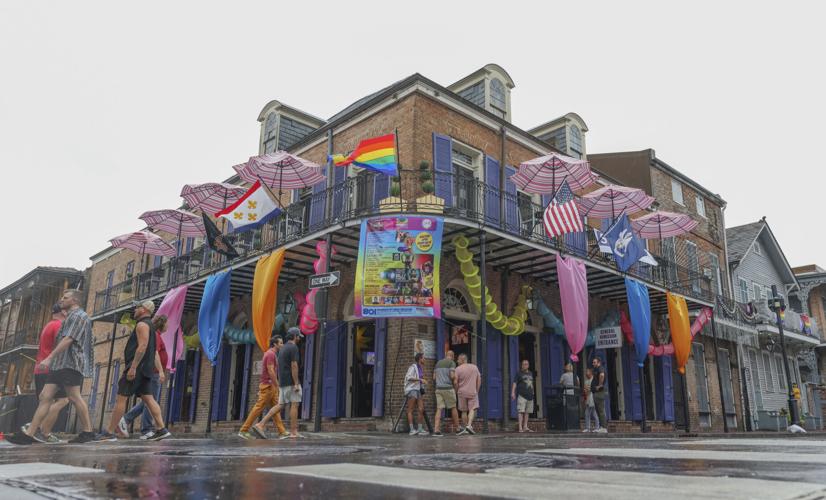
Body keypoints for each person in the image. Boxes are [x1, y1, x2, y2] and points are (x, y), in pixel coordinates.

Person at [19, 289, 96, 444]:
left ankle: (88, 432)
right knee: (45, 397)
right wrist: (52, 360)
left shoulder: (80, 316)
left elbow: (68, 339)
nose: (61, 299)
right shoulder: (69, 317)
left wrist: (49, 358)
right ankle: (29, 434)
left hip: (71, 363)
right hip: (59, 364)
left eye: (65, 297)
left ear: (74, 301)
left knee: (74, 397)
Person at [97, 301, 171, 441]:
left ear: (144, 310)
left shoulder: (142, 325)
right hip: (147, 370)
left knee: (121, 398)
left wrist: (133, 367)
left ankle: (110, 432)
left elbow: (142, 346)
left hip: (137, 368)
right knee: (149, 399)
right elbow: (153, 352)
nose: (135, 310)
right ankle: (161, 429)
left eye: (137, 308)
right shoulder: (152, 328)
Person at [23, 304, 69, 443]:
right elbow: (62, 347)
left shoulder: (49, 325)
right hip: (50, 368)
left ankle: (41, 431)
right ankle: (40, 430)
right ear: (63, 312)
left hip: (41, 368)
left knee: (49, 401)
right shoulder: (58, 326)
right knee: (62, 400)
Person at [118, 315, 169, 440]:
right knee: (150, 401)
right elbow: (155, 353)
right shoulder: (155, 335)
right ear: (162, 324)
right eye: (167, 323)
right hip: (153, 372)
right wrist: (161, 371)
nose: (168, 326)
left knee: (149, 400)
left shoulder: (156, 335)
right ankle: (146, 429)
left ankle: (131, 421)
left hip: (153, 372)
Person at [242, 335, 289, 440]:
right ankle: (244, 430)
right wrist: (277, 384)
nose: (282, 345)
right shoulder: (270, 354)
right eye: (281, 343)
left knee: (276, 408)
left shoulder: (271, 354)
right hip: (268, 385)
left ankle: (282, 431)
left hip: (270, 385)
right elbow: (271, 370)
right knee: (258, 407)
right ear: (275, 344)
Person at [276, 327, 304, 438]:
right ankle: (294, 432)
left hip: (282, 381)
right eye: (298, 336)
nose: (299, 339)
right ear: (295, 336)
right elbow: (294, 365)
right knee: (295, 405)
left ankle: (261, 424)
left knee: (280, 405)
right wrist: (296, 383)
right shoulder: (293, 348)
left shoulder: (282, 348)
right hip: (291, 382)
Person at [432, 350, 461, 437]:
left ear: (445, 355)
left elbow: (434, 377)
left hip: (438, 388)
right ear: (452, 356)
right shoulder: (451, 363)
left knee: (439, 408)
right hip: (448, 388)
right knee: (453, 407)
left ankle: (436, 429)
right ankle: (457, 429)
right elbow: (452, 375)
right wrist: (455, 377)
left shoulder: (438, 363)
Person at [454, 353, 481, 435]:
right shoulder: (474, 367)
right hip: (472, 391)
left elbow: (455, 382)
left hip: (461, 392)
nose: (457, 361)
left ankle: (466, 427)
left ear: (462, 359)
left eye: (458, 359)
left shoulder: (457, 369)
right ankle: (469, 425)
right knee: (472, 408)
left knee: (463, 411)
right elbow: (479, 380)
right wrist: (477, 390)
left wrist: (456, 391)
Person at [404, 352, 428, 436]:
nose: (425, 359)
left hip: (418, 390)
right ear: (420, 359)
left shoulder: (421, 368)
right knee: (410, 409)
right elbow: (409, 377)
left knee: (421, 409)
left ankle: (420, 429)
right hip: (412, 389)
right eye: (424, 358)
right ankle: (411, 429)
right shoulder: (413, 367)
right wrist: (420, 380)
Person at [512, 359, 535, 433]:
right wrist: (513, 392)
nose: (525, 365)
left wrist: (533, 392)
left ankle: (525, 426)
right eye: (524, 364)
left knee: (527, 412)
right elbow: (514, 383)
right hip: (522, 395)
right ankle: (520, 428)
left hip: (530, 395)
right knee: (521, 411)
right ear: (521, 365)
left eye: (527, 364)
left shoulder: (531, 373)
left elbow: (531, 383)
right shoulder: (519, 373)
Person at [591, 357, 608, 433]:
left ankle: (604, 427)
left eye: (594, 362)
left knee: (600, 410)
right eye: (593, 362)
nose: (593, 364)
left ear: (599, 362)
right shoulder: (597, 369)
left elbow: (602, 375)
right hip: (596, 392)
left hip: (599, 392)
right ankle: (601, 426)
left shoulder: (600, 368)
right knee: (598, 410)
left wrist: (600, 385)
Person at [583, 368, 599, 432]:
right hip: (588, 398)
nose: (586, 373)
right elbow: (585, 390)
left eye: (587, 372)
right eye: (586, 372)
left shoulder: (594, 380)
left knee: (594, 413)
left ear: (591, 372)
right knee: (587, 413)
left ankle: (597, 427)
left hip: (593, 398)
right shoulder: (586, 381)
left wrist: (589, 389)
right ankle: (588, 428)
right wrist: (585, 391)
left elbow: (595, 389)